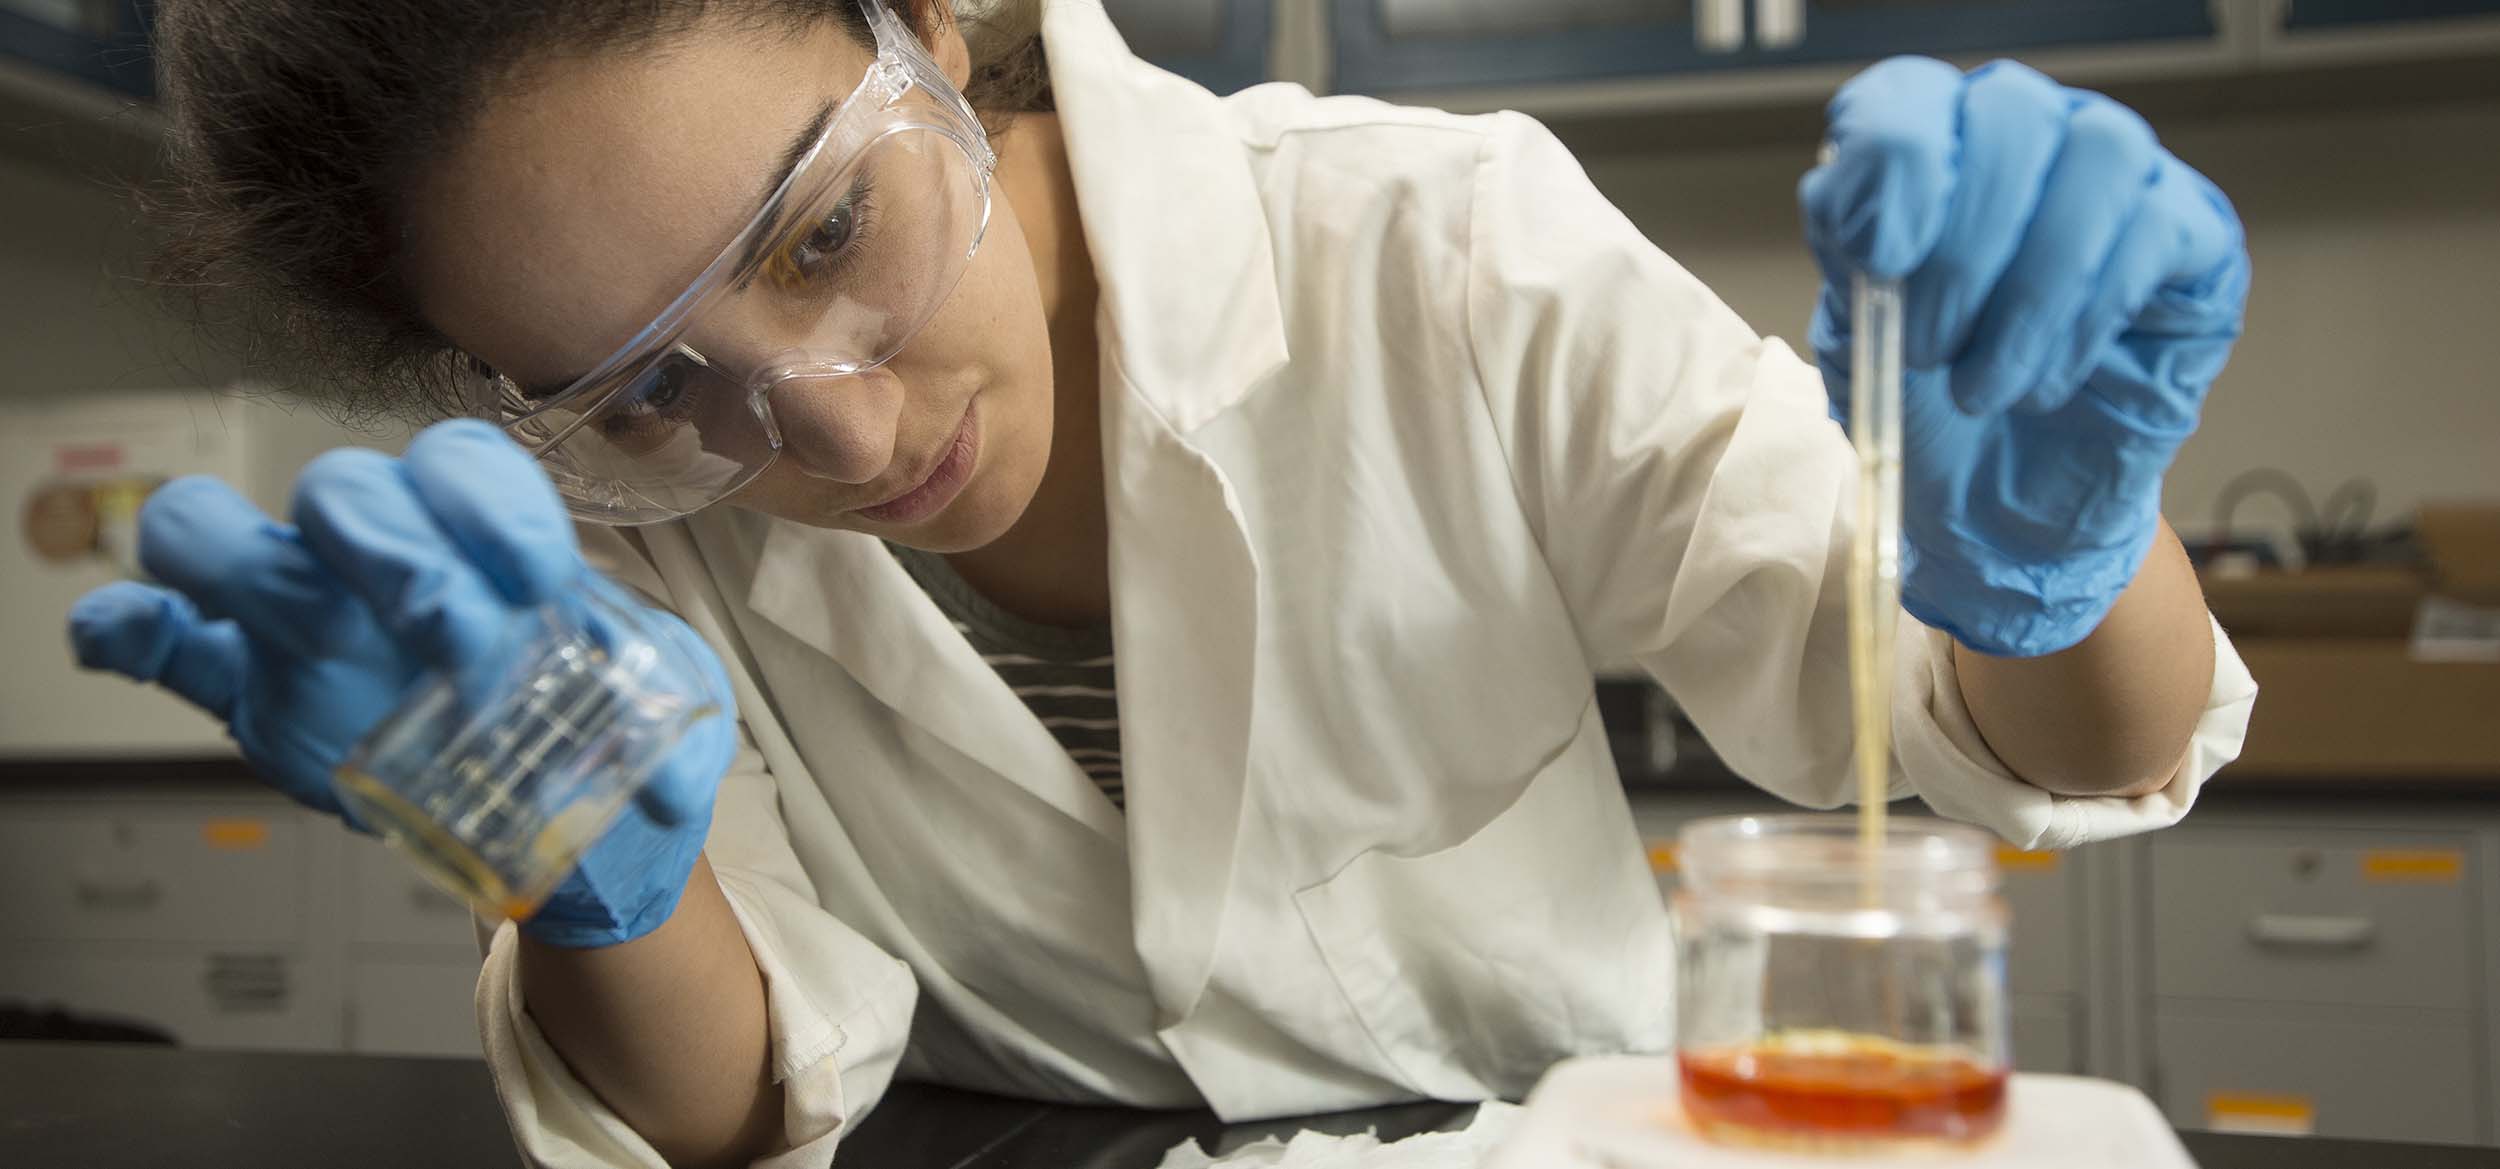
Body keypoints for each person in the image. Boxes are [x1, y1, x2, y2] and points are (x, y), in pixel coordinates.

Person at [67, 1, 2257, 1166]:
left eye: (825, 237)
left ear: (929, 22)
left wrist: (2050, 564)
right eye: (650, 389)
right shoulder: (598, 531)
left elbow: (1996, 759)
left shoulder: (1434, 244)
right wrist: (580, 893)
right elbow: (734, 1106)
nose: (825, 437)